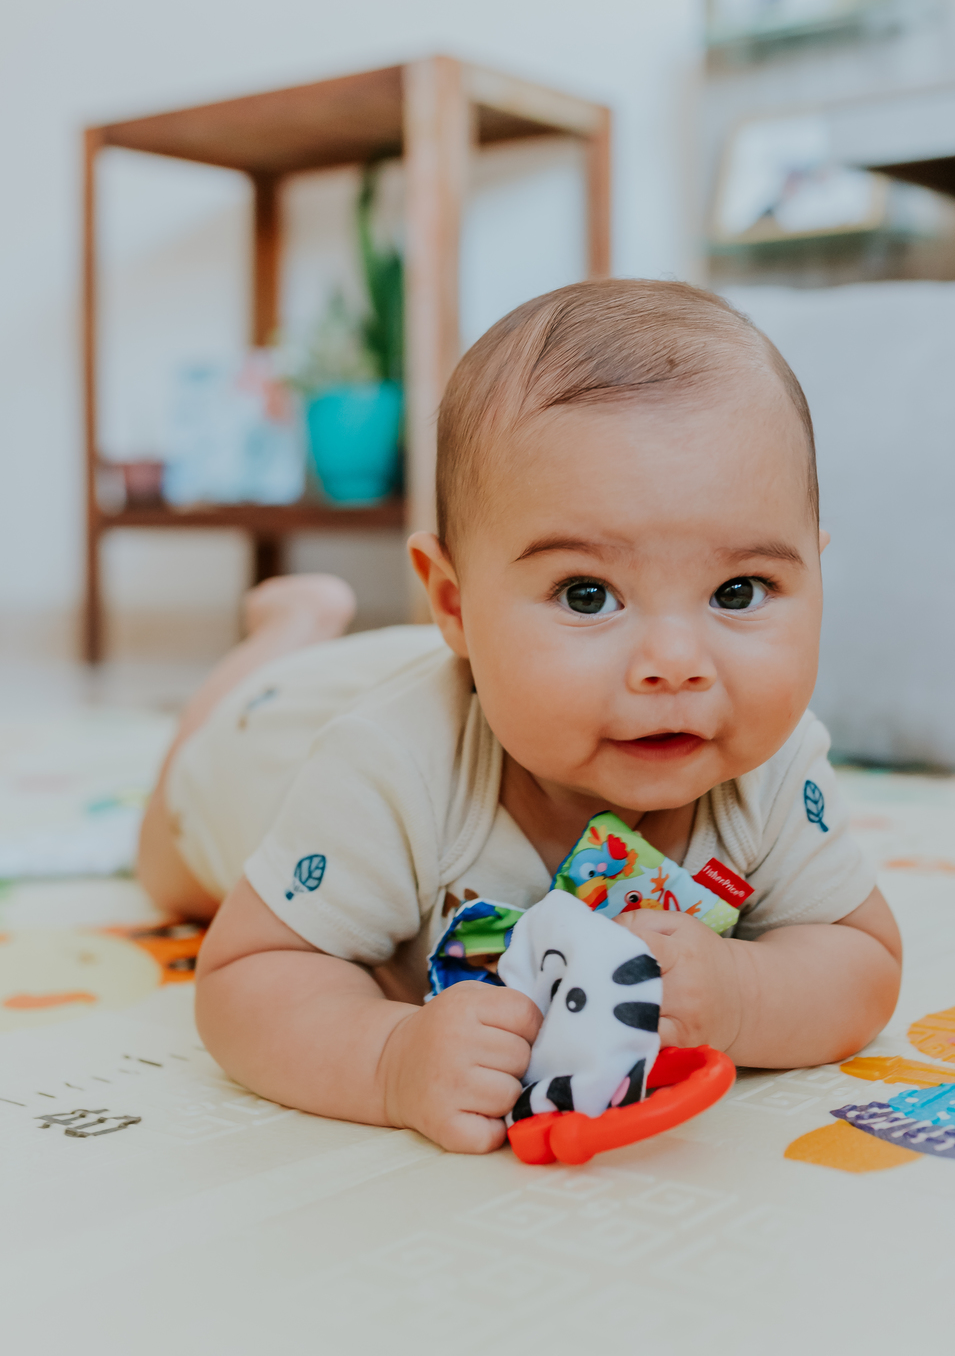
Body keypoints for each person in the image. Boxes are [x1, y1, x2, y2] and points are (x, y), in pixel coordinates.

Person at [143, 279, 901, 1152]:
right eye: (588, 594)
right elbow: (246, 974)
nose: (675, 663)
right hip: (266, 743)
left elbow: (863, 959)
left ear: (815, 571)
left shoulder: (772, 767)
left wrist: (745, 991)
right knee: (173, 860)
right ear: (455, 603)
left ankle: (315, 628)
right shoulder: (388, 765)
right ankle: (279, 637)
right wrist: (391, 1056)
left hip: (457, 672)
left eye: (739, 590)